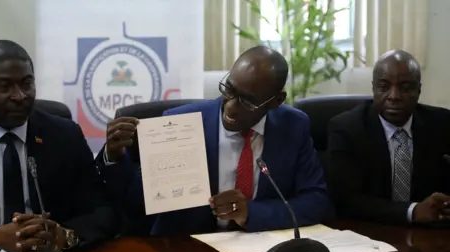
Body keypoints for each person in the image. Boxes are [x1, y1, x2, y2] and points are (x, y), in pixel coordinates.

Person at [100, 45, 331, 235]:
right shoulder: (179, 123)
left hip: (260, 251)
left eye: (247, 102)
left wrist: (251, 213)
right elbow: (136, 204)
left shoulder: (293, 127)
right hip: (188, 250)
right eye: (228, 89)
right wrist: (115, 157)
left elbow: (316, 201)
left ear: (276, 101)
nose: (230, 106)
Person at [0, 40, 119, 252]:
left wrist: (66, 235)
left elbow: (103, 210)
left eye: (27, 84)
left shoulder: (65, 136)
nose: (19, 96)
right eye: (5, 86)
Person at [327, 49, 450, 225]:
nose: (394, 96)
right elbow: (346, 200)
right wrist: (412, 211)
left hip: (429, 234)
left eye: (405, 88)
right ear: (374, 88)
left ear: (419, 90)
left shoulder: (442, 124)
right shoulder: (347, 129)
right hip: (369, 233)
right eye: (384, 87)